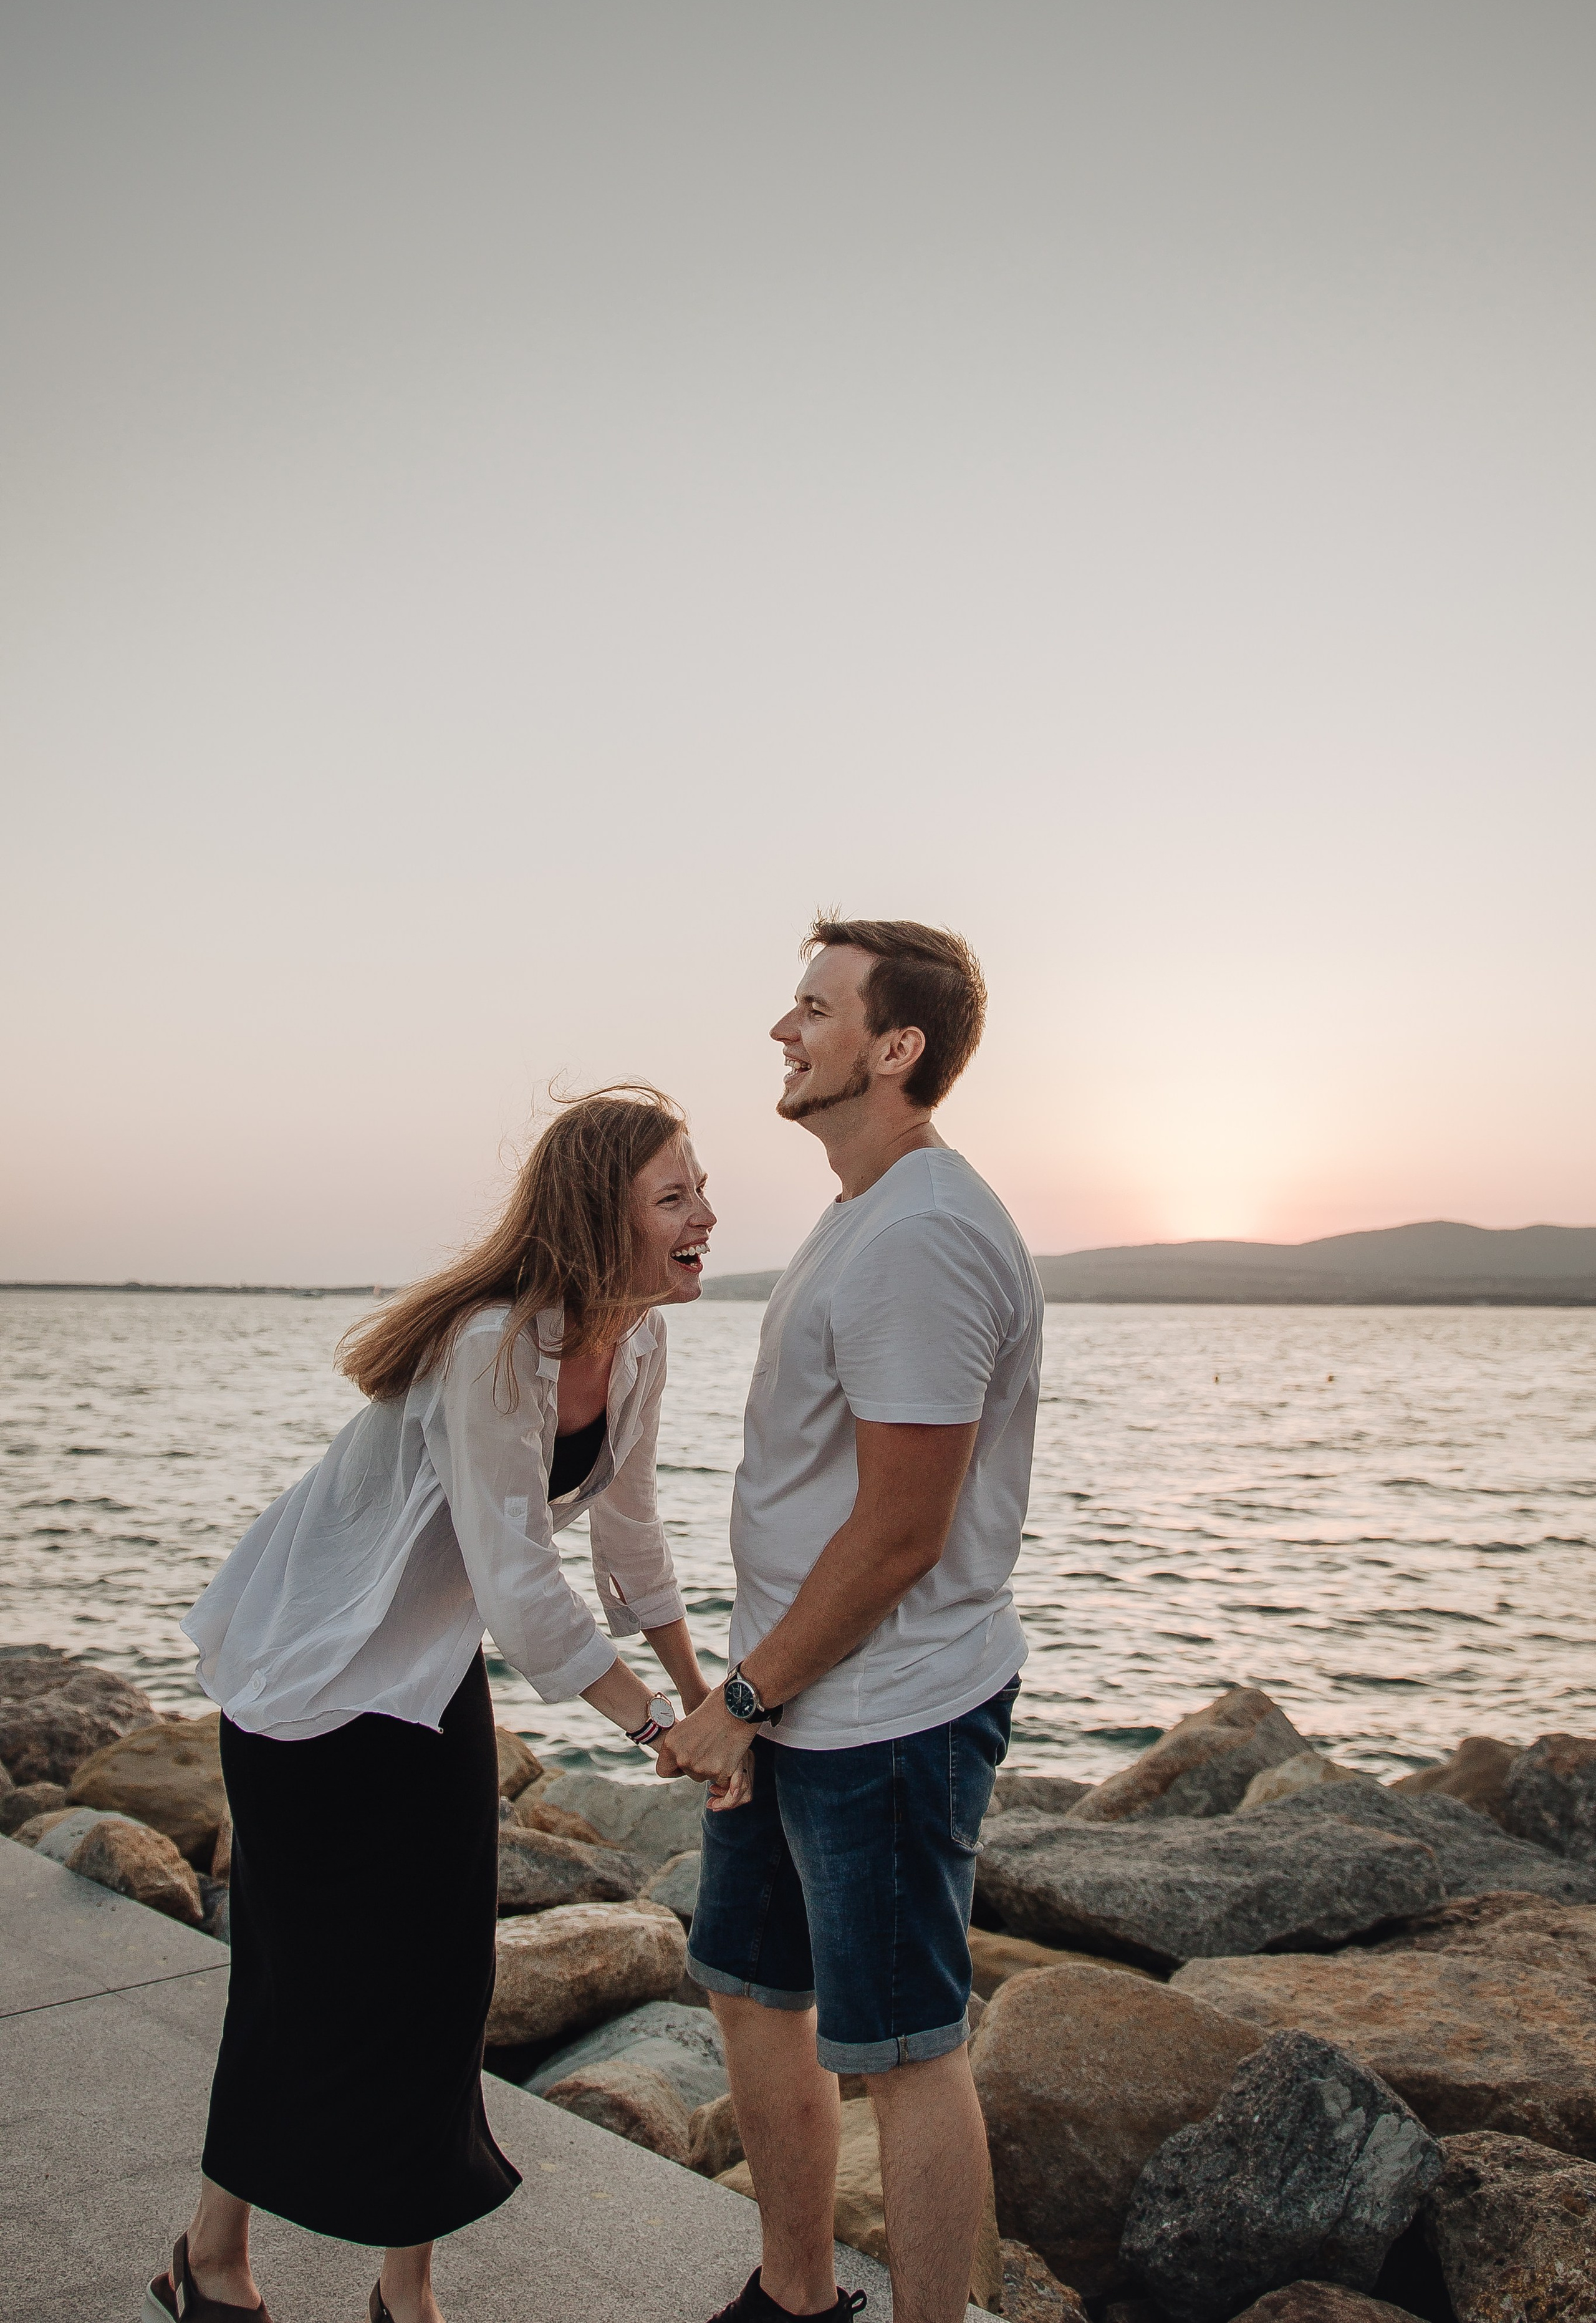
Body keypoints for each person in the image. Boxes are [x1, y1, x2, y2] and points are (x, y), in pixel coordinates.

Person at [151, 1086, 737, 2323]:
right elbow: (520, 1587)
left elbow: (628, 1540)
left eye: (702, 1192)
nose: (706, 1217)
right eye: (676, 1196)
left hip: (422, 1679)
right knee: (297, 1977)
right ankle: (210, 2258)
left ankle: (404, 2294)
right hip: (308, 1676)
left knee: (442, 1981)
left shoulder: (638, 1343)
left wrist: (708, 1700)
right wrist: (651, 1728)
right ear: (605, 1215)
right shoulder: (491, 1346)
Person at [660, 919, 1044, 2323]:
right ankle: (797, 2297)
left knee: (905, 2052)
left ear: (897, 1048)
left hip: (883, 1712)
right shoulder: (865, 1209)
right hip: (797, 1698)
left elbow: (899, 1532)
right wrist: (757, 1697)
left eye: (815, 1009)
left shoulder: (923, 1236)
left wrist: (740, 1700)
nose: (784, 1030)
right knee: (753, 1991)